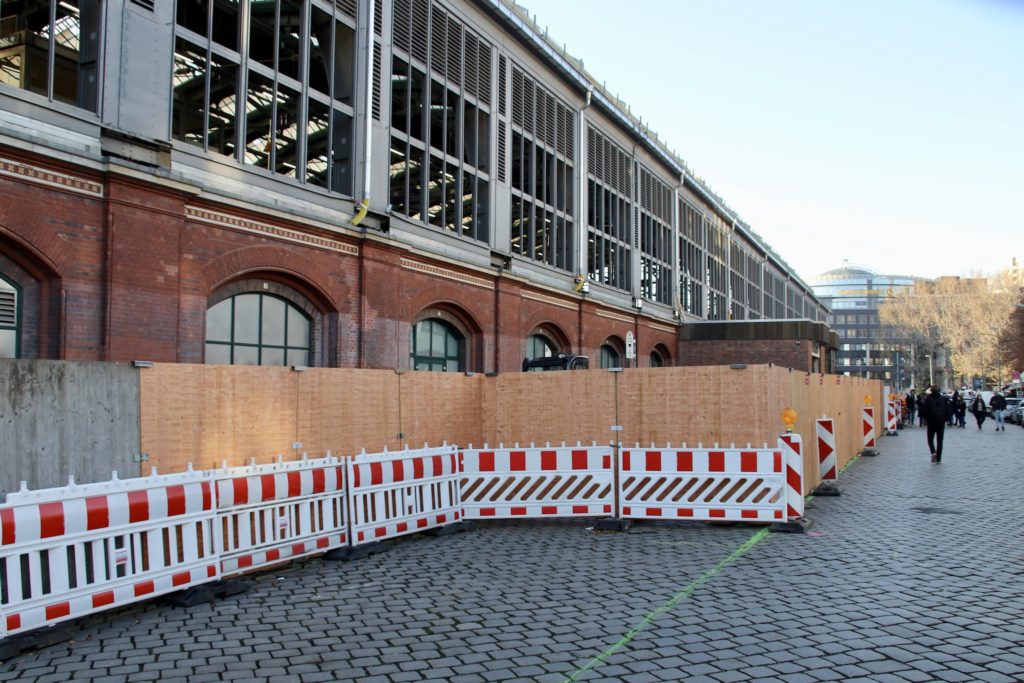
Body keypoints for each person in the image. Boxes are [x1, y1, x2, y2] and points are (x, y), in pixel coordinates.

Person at [922, 385, 951, 463]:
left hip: (931, 422)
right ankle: (939, 458)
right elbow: (948, 411)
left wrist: (926, 420)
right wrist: (945, 420)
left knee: (930, 439)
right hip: (941, 423)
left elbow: (924, 411)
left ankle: (933, 452)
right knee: (940, 440)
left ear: (931, 391)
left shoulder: (928, 399)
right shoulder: (943, 399)